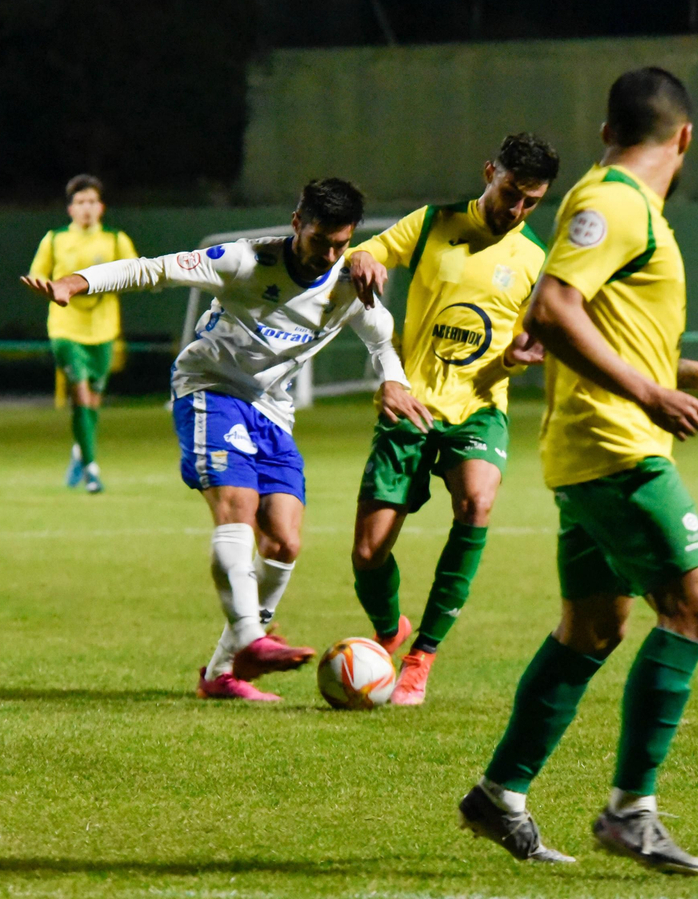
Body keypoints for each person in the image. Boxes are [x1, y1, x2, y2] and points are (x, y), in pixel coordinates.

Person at [456, 68, 698, 874]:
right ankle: (630, 812)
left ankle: (499, 795)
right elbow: (553, 310)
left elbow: (615, 330)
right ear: (685, 137)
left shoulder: (627, 209)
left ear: (607, 133)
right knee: (696, 604)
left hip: (592, 447)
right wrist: (649, 394)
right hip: (614, 446)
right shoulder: (616, 205)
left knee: (593, 628)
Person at [22, 178, 432, 701]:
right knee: (238, 504)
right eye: (318, 241)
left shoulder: (351, 280)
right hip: (210, 389)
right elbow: (153, 269)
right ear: (295, 224)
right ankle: (250, 638)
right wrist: (75, 283)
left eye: (339, 244)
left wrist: (392, 380)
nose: (327, 255)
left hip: (273, 411)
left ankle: (221, 673)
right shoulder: (244, 260)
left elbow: (381, 340)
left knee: (284, 540)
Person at [344, 132, 557, 706]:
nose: (516, 210)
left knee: (477, 504)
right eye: (511, 192)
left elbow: (535, 339)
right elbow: (366, 255)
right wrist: (363, 257)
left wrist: (518, 358)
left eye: (530, 202)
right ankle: (390, 631)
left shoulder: (535, 259)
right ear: (490, 171)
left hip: (480, 408)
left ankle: (423, 655)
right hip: (410, 408)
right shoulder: (434, 223)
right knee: (368, 554)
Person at [28, 174, 139, 492]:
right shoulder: (55, 239)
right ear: (70, 209)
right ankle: (92, 469)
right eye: (80, 203)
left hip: (103, 329)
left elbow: (136, 273)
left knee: (92, 400)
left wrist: (109, 283)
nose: (87, 208)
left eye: (92, 202)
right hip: (66, 328)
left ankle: (80, 450)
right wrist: (52, 288)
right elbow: (38, 275)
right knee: (80, 395)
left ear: (101, 207)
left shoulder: (115, 240)